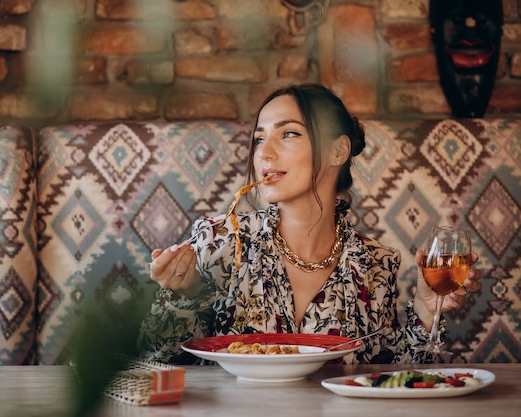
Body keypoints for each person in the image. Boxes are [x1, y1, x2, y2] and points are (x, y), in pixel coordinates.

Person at [137, 83, 482, 364]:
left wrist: (423, 312)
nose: (264, 153)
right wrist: (183, 297)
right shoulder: (221, 242)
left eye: (288, 134)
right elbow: (158, 361)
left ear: (338, 151)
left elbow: (386, 379)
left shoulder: (376, 264)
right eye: (259, 139)